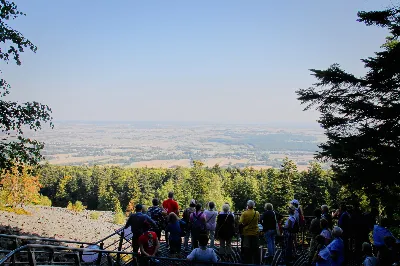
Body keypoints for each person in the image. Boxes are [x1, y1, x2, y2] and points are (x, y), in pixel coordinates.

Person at [239, 200, 260, 264]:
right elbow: (258, 221)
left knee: (246, 248)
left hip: (246, 233)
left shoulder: (244, 213)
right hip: (255, 232)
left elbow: (240, 222)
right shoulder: (257, 213)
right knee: (255, 248)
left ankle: (247, 261)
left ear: (247, 205)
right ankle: (256, 261)